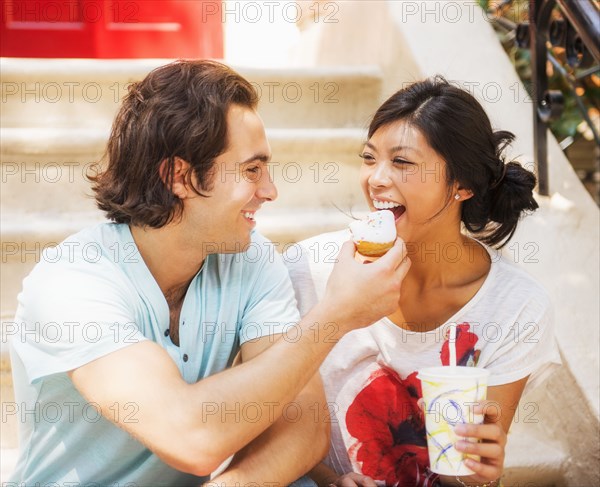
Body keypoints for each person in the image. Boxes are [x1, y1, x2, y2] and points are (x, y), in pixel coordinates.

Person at [7, 60, 412, 485]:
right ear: (179, 176)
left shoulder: (248, 257)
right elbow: (191, 437)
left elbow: (302, 425)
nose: (270, 190)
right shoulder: (73, 282)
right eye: (252, 170)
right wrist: (335, 315)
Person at [285, 77, 561, 487]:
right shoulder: (309, 267)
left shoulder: (516, 307)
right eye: (369, 157)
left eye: (402, 162)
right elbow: (270, 420)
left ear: (462, 185)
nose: (375, 179)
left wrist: (482, 473)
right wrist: (328, 480)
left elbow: (467, 471)